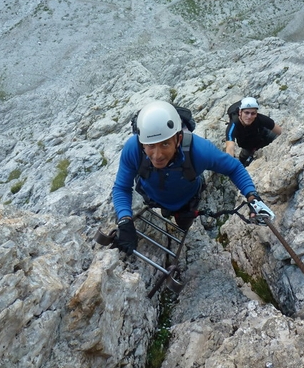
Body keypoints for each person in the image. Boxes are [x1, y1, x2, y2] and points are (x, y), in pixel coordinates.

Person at [112, 100, 273, 255]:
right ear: (141, 143)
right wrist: (125, 219)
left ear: (178, 139)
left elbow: (234, 168)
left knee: (183, 224)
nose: (157, 155)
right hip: (151, 196)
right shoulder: (133, 149)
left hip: (186, 201)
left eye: (165, 144)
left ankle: (180, 219)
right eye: (150, 146)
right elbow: (121, 187)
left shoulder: (199, 150)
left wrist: (252, 196)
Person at [225, 97, 282, 167]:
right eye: (246, 113)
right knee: (243, 161)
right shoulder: (234, 125)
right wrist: (230, 165)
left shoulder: (261, 119)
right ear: (240, 112)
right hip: (248, 146)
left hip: (264, 136)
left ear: (256, 114)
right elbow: (230, 147)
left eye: (253, 113)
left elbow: (281, 132)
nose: (249, 116)